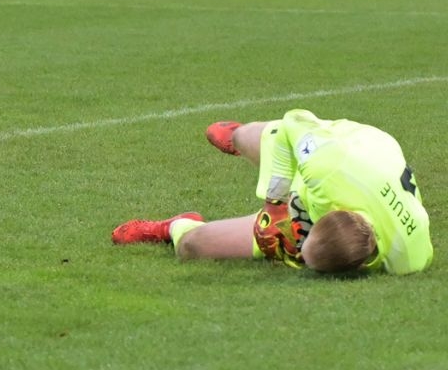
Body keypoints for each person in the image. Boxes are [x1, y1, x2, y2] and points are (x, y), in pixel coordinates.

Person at [112, 113, 431, 275]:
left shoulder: (410, 258)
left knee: (191, 247)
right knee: (253, 136)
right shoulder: (326, 168)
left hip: (360, 175)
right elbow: (295, 123)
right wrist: (275, 205)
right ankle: (240, 137)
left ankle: (173, 225)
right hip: (346, 141)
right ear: (325, 215)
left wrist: (293, 246)